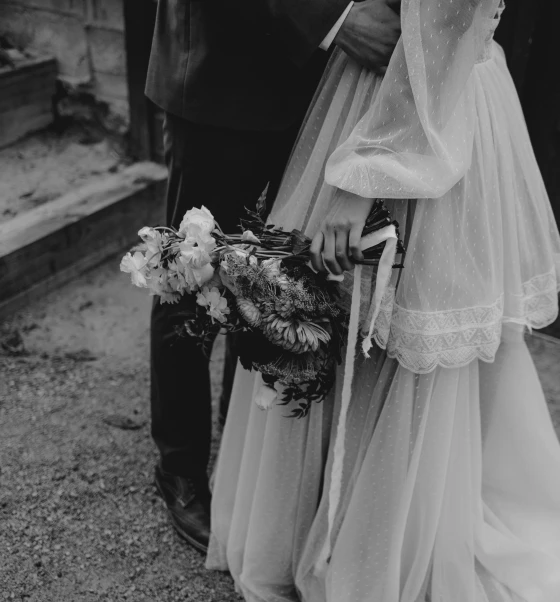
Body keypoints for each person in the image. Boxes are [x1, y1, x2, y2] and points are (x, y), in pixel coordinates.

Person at [206, 0, 560, 601]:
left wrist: (364, 182)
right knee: (347, 320)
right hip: (376, 92)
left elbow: (446, 28)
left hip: (422, 113)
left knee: (398, 329)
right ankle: (333, 528)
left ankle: (383, 549)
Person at [144, 0, 402, 554]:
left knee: (272, 276)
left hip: (323, 91)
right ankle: (180, 467)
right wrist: (336, 17)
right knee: (193, 274)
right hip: (226, 77)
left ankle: (243, 455)